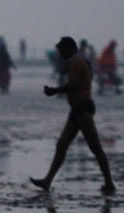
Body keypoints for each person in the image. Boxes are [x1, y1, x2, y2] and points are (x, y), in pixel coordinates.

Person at [31, 37, 116, 195]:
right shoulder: (75, 60)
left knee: (95, 147)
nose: (60, 54)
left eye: (62, 51)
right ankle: (47, 181)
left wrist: (54, 91)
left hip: (83, 109)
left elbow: (74, 84)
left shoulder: (77, 62)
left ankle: (109, 183)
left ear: (69, 49)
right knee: (61, 145)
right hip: (76, 110)